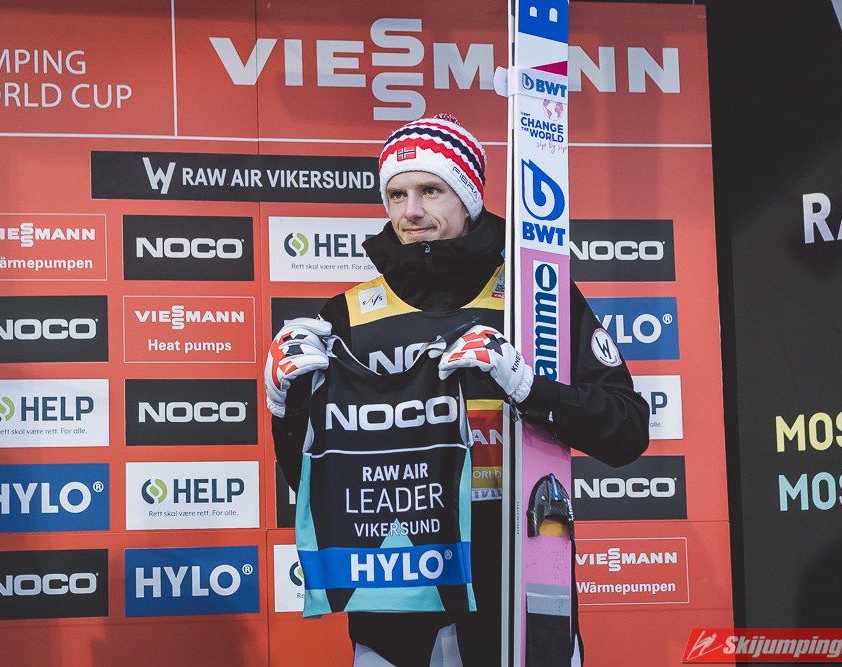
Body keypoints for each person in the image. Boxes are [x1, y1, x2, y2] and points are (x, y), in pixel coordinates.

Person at [266, 114, 649, 667]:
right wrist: (285, 407)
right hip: (397, 587)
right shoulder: (348, 315)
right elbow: (315, 485)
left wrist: (529, 388)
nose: (411, 211)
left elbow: (627, 430)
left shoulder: (534, 299)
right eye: (396, 194)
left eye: (431, 190)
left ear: (469, 198)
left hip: (513, 576)